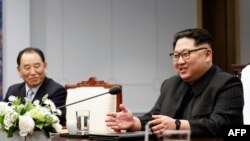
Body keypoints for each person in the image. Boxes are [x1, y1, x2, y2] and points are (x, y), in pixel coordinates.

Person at [105, 28, 244, 138]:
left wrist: (177, 125)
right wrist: (133, 122)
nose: (180, 61)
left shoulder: (228, 84)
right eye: (176, 56)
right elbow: (154, 118)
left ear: (207, 55)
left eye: (186, 54)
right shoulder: (170, 84)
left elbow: (222, 126)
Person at [3, 47, 67, 126]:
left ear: (45, 67)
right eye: (27, 68)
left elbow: (52, 121)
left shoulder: (57, 90)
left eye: (37, 66)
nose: (33, 72)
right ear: (19, 71)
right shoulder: (13, 90)